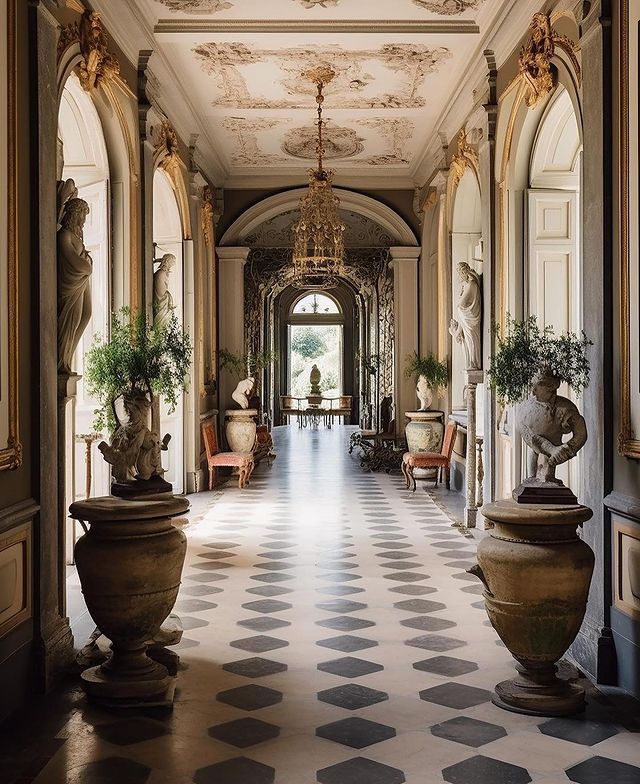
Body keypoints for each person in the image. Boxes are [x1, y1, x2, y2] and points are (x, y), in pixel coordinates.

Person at [57, 196, 92, 373]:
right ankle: (62, 361)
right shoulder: (64, 235)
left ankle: (67, 358)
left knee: (86, 315)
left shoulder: (75, 237)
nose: (84, 220)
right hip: (70, 287)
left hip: (80, 283)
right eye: (83, 215)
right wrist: (86, 264)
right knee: (72, 321)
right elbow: (73, 261)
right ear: (75, 214)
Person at [449, 261, 482, 370]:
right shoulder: (468, 284)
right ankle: (457, 332)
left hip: (471, 318)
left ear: (463, 272)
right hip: (467, 318)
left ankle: (473, 362)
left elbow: (462, 304)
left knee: (471, 340)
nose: (458, 275)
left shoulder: (471, 284)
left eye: (459, 272)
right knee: (467, 341)